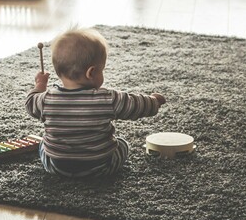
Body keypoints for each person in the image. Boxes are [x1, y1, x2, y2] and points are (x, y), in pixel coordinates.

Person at [26, 27, 166, 178]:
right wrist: (154, 101)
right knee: (123, 144)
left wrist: (40, 85)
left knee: (43, 144)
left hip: (56, 167)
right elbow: (135, 105)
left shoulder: (46, 99)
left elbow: (30, 103)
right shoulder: (108, 99)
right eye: (102, 70)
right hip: (100, 167)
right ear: (91, 73)